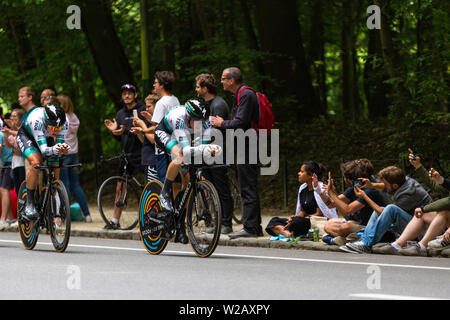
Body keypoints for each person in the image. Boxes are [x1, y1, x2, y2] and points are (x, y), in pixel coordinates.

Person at [155, 98, 221, 243]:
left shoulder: (206, 121)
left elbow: (202, 146)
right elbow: (185, 150)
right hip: (165, 132)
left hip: (187, 139)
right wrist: (204, 149)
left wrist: (212, 149)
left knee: (187, 182)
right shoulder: (180, 118)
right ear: (188, 117)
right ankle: (165, 193)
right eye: (197, 122)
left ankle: (180, 227)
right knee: (180, 156)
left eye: (202, 122)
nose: (200, 125)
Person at [210, 67, 263, 239]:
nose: (221, 82)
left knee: (248, 187)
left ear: (232, 80)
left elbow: (241, 122)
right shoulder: (240, 94)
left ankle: (249, 227)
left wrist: (222, 123)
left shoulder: (245, 94)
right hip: (245, 144)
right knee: (248, 186)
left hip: (248, 145)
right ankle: (254, 226)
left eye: (224, 78)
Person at [340, 165, 432, 253]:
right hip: (413, 221)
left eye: (386, 183)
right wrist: (371, 185)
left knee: (390, 209)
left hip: (422, 230)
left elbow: (386, 213)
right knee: (383, 209)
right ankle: (363, 241)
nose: (384, 185)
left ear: (395, 185)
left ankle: (366, 245)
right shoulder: (404, 180)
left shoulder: (408, 194)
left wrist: (365, 196)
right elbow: (385, 186)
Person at [376, 152, 450, 256]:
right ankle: (397, 245)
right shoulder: (404, 184)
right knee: (423, 214)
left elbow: (448, 201)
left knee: (442, 211)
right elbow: (437, 186)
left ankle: (423, 246)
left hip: (435, 225)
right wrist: (420, 167)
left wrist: (424, 208)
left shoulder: (408, 192)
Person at [16, 103, 69, 221]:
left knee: (56, 164)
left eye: (59, 128)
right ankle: (29, 204)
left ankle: (54, 202)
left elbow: (58, 147)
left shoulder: (64, 123)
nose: (56, 130)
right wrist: (55, 149)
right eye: (53, 127)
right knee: (36, 162)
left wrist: (62, 149)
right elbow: (45, 151)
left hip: (46, 138)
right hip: (27, 136)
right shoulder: (37, 120)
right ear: (46, 121)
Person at [195, 73, 234, 235]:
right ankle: (218, 223)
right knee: (213, 189)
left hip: (218, 153)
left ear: (205, 88)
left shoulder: (218, 105)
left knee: (222, 189)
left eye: (198, 86)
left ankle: (226, 224)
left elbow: (216, 132)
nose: (196, 89)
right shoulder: (206, 104)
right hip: (207, 153)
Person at [103, 84, 146, 229]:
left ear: (135, 95)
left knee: (148, 185)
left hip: (142, 152)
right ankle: (115, 221)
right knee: (120, 186)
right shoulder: (120, 113)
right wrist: (114, 131)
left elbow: (142, 131)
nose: (127, 96)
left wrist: (124, 131)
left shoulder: (142, 110)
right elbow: (120, 137)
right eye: (124, 93)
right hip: (126, 154)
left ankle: (147, 219)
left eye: (129, 93)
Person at [321, 159, 390, 245]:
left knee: (346, 227)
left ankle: (343, 239)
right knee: (328, 225)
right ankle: (347, 239)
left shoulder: (371, 191)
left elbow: (347, 210)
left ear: (350, 179)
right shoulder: (354, 187)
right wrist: (320, 191)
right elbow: (331, 204)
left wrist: (332, 194)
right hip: (360, 223)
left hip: (374, 226)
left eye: (345, 177)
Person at [266, 161, 337, 240]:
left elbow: (320, 214)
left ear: (310, 175)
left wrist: (301, 219)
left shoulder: (320, 188)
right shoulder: (303, 188)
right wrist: (294, 217)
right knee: (274, 220)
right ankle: (287, 233)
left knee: (296, 222)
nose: (298, 173)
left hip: (315, 222)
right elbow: (302, 211)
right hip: (302, 221)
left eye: (302, 172)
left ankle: (283, 231)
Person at [57, 95, 92, 223]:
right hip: (74, 153)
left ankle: (64, 216)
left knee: (64, 184)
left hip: (64, 153)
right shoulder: (74, 117)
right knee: (76, 185)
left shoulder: (62, 118)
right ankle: (87, 215)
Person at [150, 71, 180, 182]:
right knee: (176, 182)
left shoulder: (161, 103)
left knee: (165, 182)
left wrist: (142, 127)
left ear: (162, 85)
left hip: (162, 150)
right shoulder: (175, 99)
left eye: (156, 83)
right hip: (175, 146)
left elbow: (157, 128)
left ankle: (166, 199)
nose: (154, 85)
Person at [130, 94, 159, 182]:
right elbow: (145, 141)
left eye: (149, 106)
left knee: (154, 190)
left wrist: (142, 126)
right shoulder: (149, 120)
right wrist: (139, 133)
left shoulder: (157, 121)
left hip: (153, 160)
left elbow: (154, 140)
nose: (146, 109)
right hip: (147, 160)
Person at [3, 108, 25, 195]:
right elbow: (8, 146)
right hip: (15, 163)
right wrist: (6, 135)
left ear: (20, 117)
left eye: (15, 116)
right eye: (11, 116)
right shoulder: (13, 130)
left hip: (22, 164)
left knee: (22, 189)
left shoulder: (22, 129)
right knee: (17, 190)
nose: (12, 118)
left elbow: (19, 148)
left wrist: (10, 130)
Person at [0, 129, 14, 230]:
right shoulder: (2, 134)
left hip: (9, 163)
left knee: (4, 189)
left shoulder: (0, 135)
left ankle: (3, 219)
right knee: (4, 189)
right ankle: (9, 217)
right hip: (7, 163)